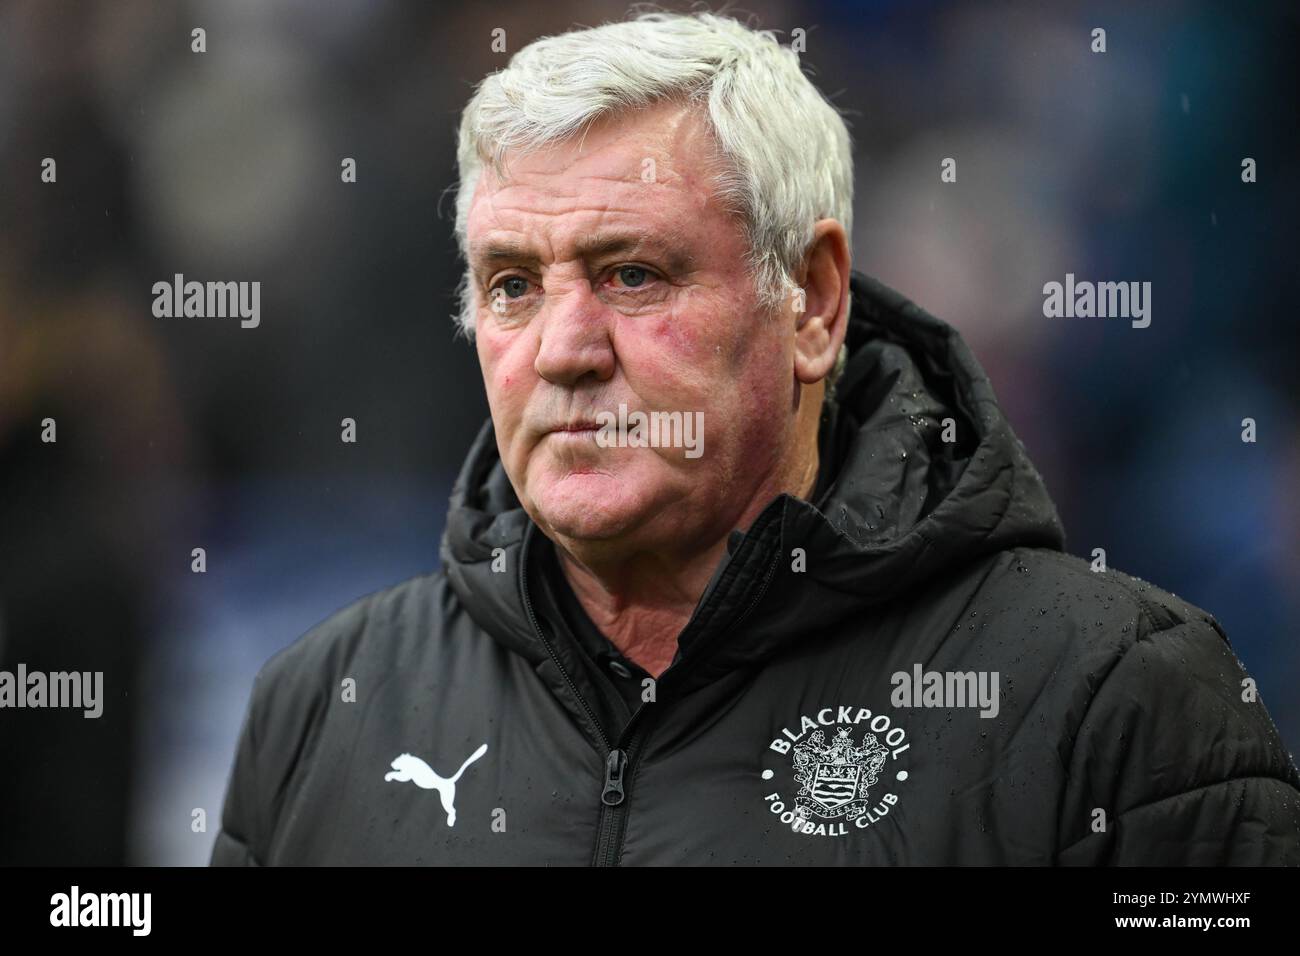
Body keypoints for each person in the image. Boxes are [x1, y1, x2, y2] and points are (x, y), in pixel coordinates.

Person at [211, 11, 1300, 865]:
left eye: (632, 274)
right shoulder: (322, 705)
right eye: (511, 285)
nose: (562, 348)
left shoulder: (1119, 700)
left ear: (813, 302)